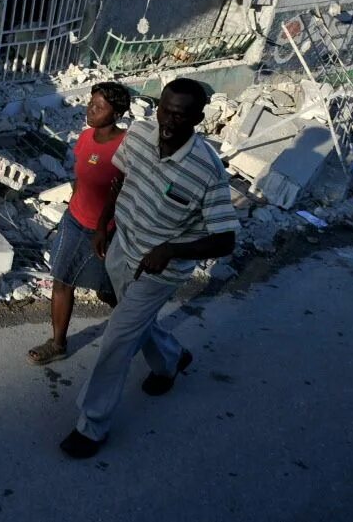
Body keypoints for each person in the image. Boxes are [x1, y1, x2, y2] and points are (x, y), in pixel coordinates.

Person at [60, 78, 238, 459]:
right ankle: (170, 358)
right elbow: (119, 179)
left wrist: (172, 249)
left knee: (118, 338)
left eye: (181, 114)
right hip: (123, 245)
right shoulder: (140, 135)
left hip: (160, 269)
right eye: (165, 110)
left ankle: (91, 425)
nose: (170, 121)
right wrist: (103, 224)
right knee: (132, 323)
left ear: (198, 117)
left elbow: (226, 239)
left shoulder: (207, 170)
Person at [27, 81, 132, 365]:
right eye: (90, 103)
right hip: (74, 220)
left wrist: (102, 228)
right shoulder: (86, 136)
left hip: (103, 230)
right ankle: (58, 343)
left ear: (117, 113)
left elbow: (121, 192)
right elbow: (80, 177)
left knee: (109, 292)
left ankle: (145, 332)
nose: (91, 110)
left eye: (100, 107)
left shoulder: (125, 147)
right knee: (61, 279)